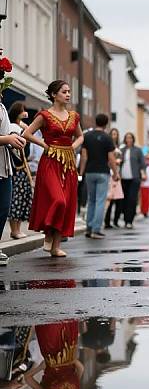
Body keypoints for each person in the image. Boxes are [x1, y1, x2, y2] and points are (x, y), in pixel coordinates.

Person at [22, 80, 83, 257]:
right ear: (54, 95)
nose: (68, 94)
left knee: (66, 203)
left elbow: (80, 137)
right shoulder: (44, 115)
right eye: (64, 92)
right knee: (58, 200)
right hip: (50, 161)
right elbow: (26, 133)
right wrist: (43, 144)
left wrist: (73, 146)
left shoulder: (74, 116)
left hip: (68, 163)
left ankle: (56, 246)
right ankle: (48, 232)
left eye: (69, 91)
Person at [23, 321, 83, 389]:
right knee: (68, 316)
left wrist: (40, 367)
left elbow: (27, 378)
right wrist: (74, 360)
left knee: (51, 320)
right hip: (69, 345)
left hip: (51, 349)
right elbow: (80, 369)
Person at [79, 113, 120, 239]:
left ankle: (89, 227)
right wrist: (116, 173)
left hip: (90, 172)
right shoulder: (107, 138)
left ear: (95, 121)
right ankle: (96, 229)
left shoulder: (87, 136)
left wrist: (81, 171)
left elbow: (84, 156)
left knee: (91, 200)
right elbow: (111, 158)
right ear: (106, 123)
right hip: (103, 172)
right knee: (100, 201)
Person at [7, 101, 33, 240]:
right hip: (16, 168)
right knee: (16, 198)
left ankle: (17, 228)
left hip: (22, 168)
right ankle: (14, 230)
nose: (25, 113)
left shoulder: (20, 126)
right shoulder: (13, 127)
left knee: (22, 198)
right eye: (23, 110)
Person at [118, 132, 145, 229]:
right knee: (124, 199)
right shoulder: (122, 150)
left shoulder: (137, 150)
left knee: (132, 199)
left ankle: (130, 220)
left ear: (133, 139)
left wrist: (143, 173)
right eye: (127, 138)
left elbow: (142, 164)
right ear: (125, 139)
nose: (129, 139)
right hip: (123, 178)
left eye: (130, 138)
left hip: (134, 178)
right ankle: (125, 220)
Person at [104, 127, 123, 229]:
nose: (113, 136)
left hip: (118, 174)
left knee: (119, 198)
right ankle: (107, 221)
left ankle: (115, 220)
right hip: (110, 173)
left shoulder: (119, 147)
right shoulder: (107, 146)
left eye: (115, 134)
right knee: (109, 198)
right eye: (112, 134)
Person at [140, 153, 149, 218]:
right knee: (143, 198)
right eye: (147, 158)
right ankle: (143, 211)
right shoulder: (143, 166)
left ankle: (145, 211)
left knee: (147, 199)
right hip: (143, 184)